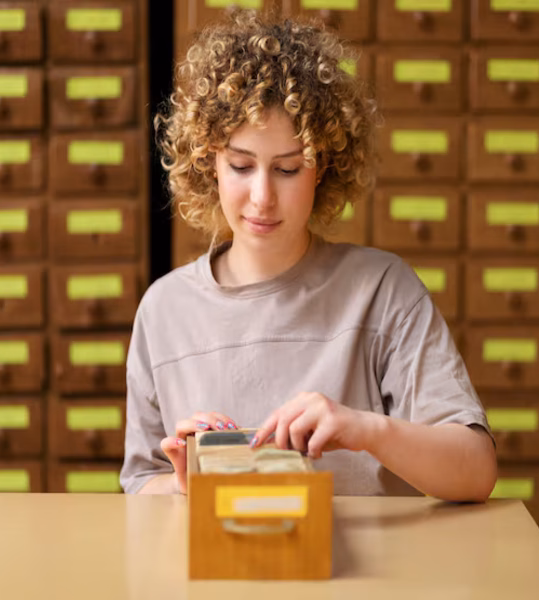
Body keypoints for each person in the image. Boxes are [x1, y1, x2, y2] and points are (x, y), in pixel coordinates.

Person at [120, 10, 497, 501]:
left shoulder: (382, 289)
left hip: (365, 576)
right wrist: (182, 485)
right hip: (219, 572)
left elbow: (476, 471)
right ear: (208, 161)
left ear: (324, 168)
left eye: (289, 169)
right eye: (240, 165)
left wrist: (364, 429)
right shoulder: (163, 310)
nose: (262, 197)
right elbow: (140, 486)